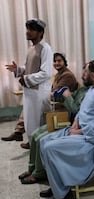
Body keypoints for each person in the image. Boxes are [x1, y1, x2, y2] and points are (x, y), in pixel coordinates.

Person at [39, 60, 94, 199]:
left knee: (50, 148)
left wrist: (79, 131)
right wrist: (76, 120)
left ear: (93, 75)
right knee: (43, 141)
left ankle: (62, 194)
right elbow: (84, 110)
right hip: (81, 131)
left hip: (93, 139)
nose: (82, 75)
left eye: (85, 72)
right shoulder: (93, 89)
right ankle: (59, 184)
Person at [18, 53, 82, 184]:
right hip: (58, 110)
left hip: (63, 113)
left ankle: (39, 173)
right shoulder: (58, 75)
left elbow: (56, 95)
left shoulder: (67, 76)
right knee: (35, 134)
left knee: (40, 137)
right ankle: (32, 168)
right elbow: (52, 93)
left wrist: (44, 93)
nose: (57, 63)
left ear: (65, 62)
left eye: (59, 61)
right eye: (55, 61)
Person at [5, 18, 53, 149]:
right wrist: (18, 70)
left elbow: (46, 73)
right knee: (29, 124)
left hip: (39, 93)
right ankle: (34, 151)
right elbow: (29, 67)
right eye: (27, 29)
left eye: (31, 29)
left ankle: (38, 160)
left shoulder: (45, 48)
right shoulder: (32, 48)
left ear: (40, 32)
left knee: (36, 125)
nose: (28, 32)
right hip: (30, 92)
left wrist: (25, 79)